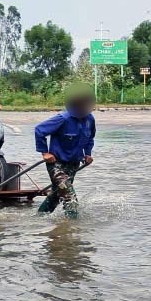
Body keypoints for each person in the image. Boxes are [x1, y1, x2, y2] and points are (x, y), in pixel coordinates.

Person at [35, 84, 96, 219]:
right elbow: (39, 130)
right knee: (69, 196)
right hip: (56, 164)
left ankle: (38, 219)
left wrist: (88, 153)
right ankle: (73, 230)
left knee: (57, 195)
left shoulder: (90, 120)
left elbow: (90, 137)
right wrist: (45, 153)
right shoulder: (63, 118)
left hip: (73, 164)